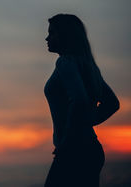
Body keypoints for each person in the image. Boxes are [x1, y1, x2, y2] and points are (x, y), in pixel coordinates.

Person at [43, 13, 120, 187]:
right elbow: (112, 103)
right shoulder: (87, 65)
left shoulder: (65, 62)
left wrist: (67, 142)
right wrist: (87, 122)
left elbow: (79, 101)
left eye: (52, 32)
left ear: (66, 36)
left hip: (74, 150)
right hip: (91, 149)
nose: (47, 38)